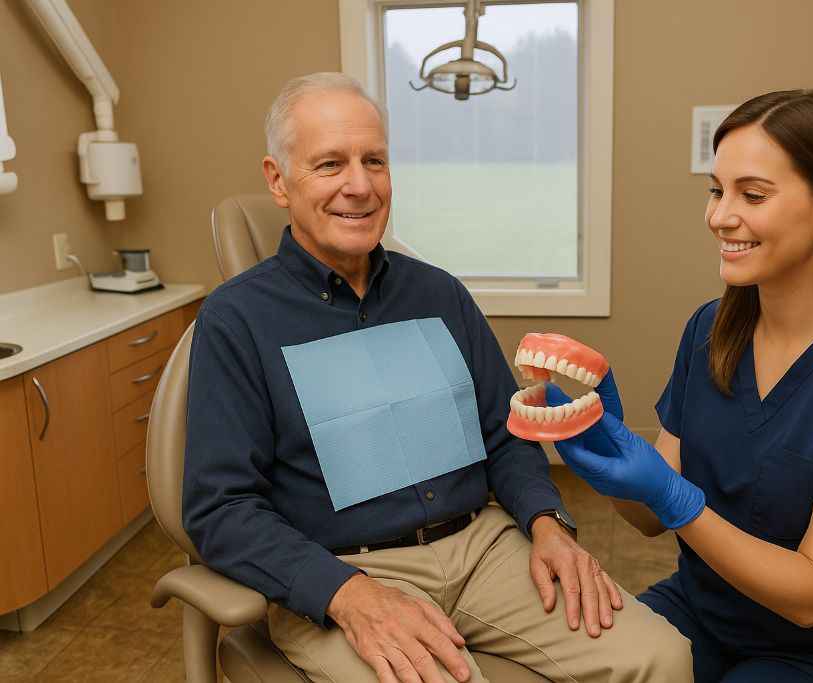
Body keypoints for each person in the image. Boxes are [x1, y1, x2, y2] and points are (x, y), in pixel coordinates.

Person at [183, 72, 690, 683]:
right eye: (330, 164)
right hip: (347, 572)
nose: (360, 185)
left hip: (484, 547)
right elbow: (221, 508)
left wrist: (547, 522)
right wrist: (347, 594)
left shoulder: (439, 294)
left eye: (374, 161)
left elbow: (505, 434)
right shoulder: (237, 319)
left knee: (662, 657)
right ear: (277, 180)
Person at [551, 89, 813, 682]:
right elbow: (647, 518)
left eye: (753, 195)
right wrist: (605, 457)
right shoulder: (711, 331)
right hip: (705, 613)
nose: (720, 216)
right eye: (717, 190)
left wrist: (676, 498)